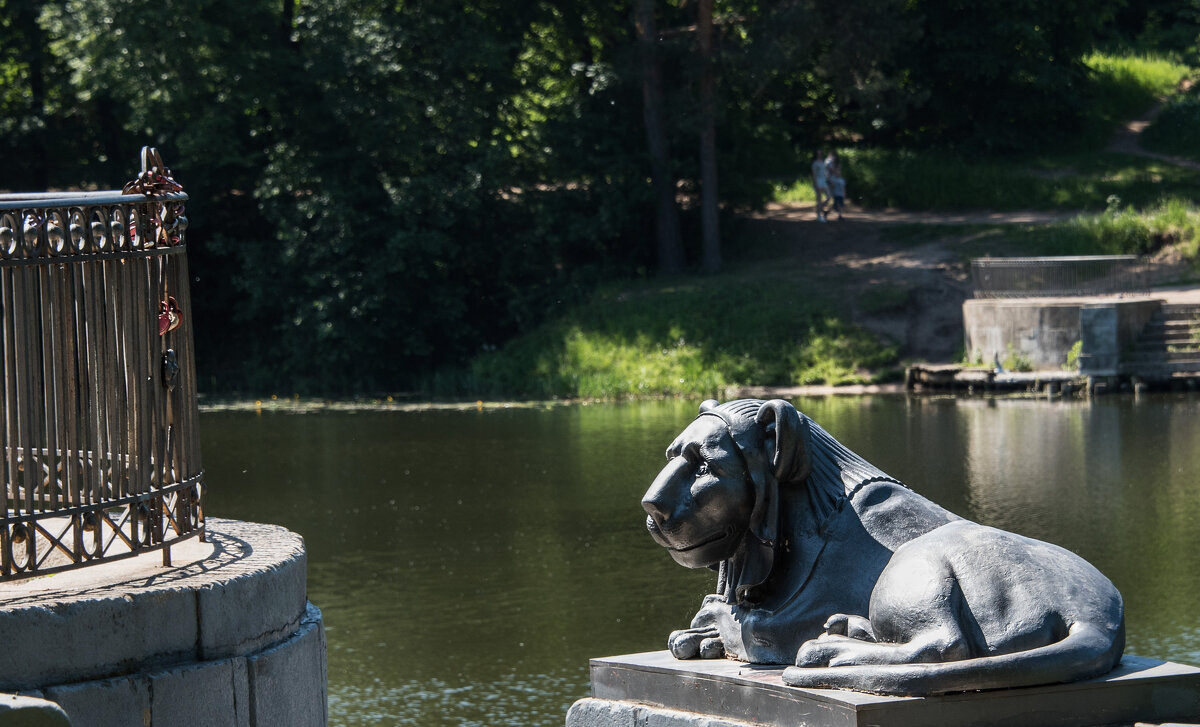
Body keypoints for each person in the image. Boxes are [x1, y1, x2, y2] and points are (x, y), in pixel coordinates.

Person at [810, 149, 830, 222]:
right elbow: (814, 175)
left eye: (820, 153)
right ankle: (819, 216)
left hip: (823, 181)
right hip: (818, 181)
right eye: (818, 154)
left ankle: (820, 208)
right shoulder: (814, 163)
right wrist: (816, 184)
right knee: (819, 198)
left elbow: (825, 172)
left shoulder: (823, 162)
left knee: (828, 196)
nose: (819, 155)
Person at [826, 151, 846, 221]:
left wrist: (844, 194)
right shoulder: (829, 163)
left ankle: (840, 215)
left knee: (839, 205)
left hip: (840, 194)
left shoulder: (841, 180)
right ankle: (827, 212)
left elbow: (843, 187)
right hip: (836, 194)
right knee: (834, 205)